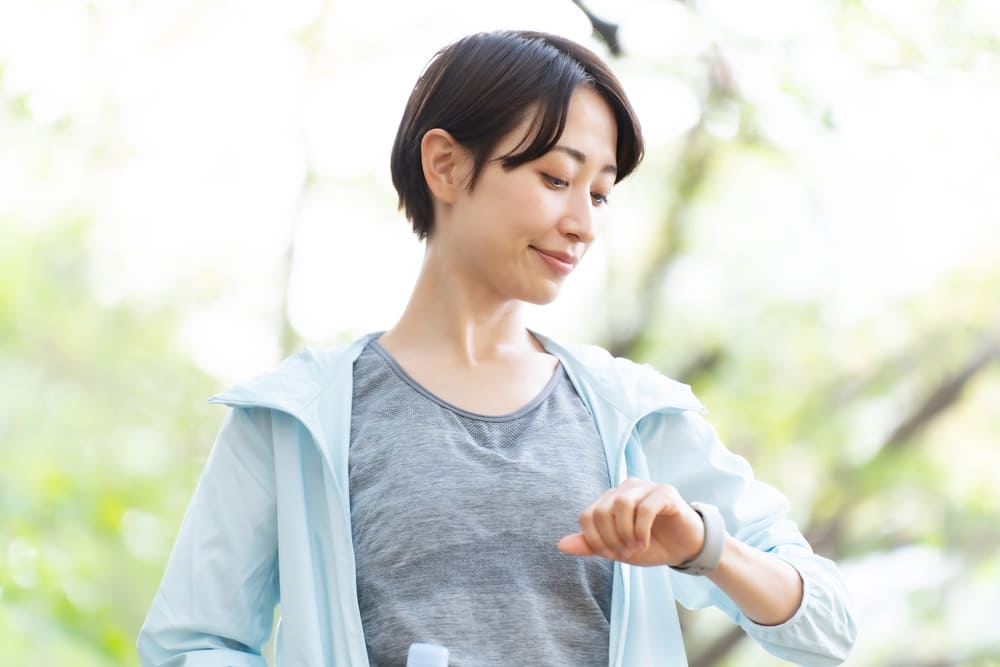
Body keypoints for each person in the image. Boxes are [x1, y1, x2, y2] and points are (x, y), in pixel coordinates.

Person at [138, 30, 857, 667]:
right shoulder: (289, 419)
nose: (581, 223)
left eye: (599, 193)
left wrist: (705, 545)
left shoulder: (638, 414)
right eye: (555, 178)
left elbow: (829, 628)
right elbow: (189, 644)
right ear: (446, 166)